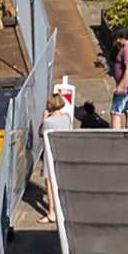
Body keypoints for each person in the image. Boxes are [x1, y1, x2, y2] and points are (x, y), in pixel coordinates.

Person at [37, 94, 76, 224]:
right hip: (64, 152)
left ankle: (52, 212)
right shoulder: (67, 118)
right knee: (61, 181)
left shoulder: (49, 122)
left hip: (50, 153)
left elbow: (40, 133)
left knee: (49, 182)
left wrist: (43, 119)